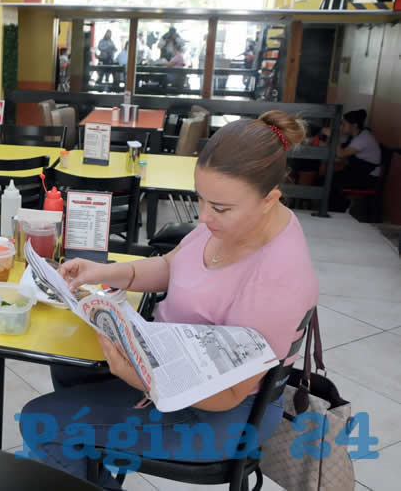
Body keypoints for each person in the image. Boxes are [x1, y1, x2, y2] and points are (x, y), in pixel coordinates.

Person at [19, 111, 318, 489]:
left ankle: (84, 458)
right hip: (178, 369)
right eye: (201, 200)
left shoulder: (278, 279)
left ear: (270, 199)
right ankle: (90, 463)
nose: (204, 216)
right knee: (68, 362)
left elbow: (226, 395)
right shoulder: (240, 221)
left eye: (220, 208)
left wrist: (136, 376)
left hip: (219, 416)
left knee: (40, 423)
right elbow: (171, 265)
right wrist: (101, 271)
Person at [329, 109, 383, 212]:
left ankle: (338, 210)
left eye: (344, 124)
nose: (341, 127)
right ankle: (335, 208)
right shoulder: (356, 136)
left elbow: (341, 154)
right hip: (359, 173)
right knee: (330, 177)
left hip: (368, 178)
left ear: (354, 126)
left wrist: (334, 135)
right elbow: (340, 151)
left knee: (334, 181)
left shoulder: (363, 138)